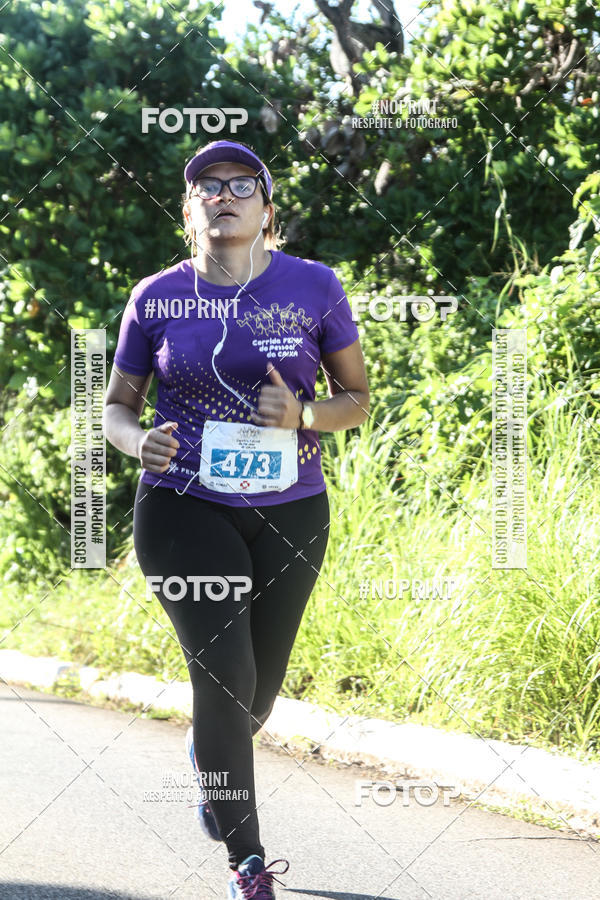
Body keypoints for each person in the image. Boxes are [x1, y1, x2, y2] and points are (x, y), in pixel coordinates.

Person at [104, 139, 370, 899]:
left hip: (292, 509)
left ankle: (209, 759)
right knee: (225, 679)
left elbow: (357, 399)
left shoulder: (314, 287)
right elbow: (117, 408)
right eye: (206, 187)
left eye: (241, 185)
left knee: (259, 694)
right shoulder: (155, 297)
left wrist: (304, 412)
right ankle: (247, 862)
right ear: (189, 211)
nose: (224, 195)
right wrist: (136, 442)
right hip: (184, 504)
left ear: (266, 211)